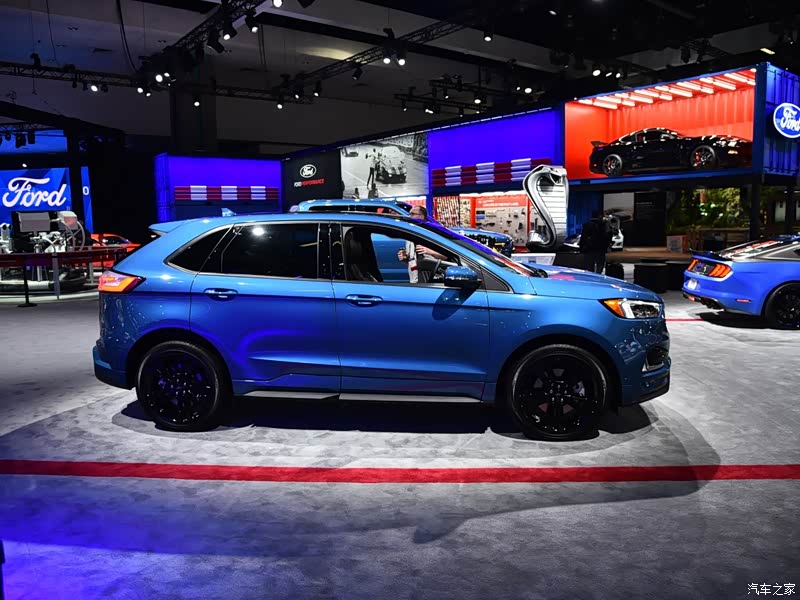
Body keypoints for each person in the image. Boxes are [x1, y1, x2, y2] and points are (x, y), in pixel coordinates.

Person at [397, 205, 448, 283]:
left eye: (412, 214)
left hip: (430, 279)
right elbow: (412, 260)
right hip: (414, 279)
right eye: (409, 214)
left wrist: (430, 251)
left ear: (421, 216)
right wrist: (405, 258)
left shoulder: (431, 234)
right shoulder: (411, 234)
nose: (409, 216)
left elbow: (445, 256)